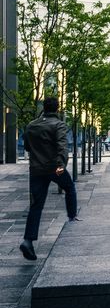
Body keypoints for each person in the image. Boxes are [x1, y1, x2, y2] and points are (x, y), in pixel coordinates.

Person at [20, 97, 80, 261]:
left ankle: (28, 240)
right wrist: (61, 165)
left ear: (43, 108)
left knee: (36, 205)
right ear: (57, 108)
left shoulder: (32, 125)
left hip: (36, 169)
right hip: (55, 167)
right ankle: (72, 216)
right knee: (69, 187)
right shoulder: (59, 124)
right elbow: (62, 146)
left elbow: (26, 146)